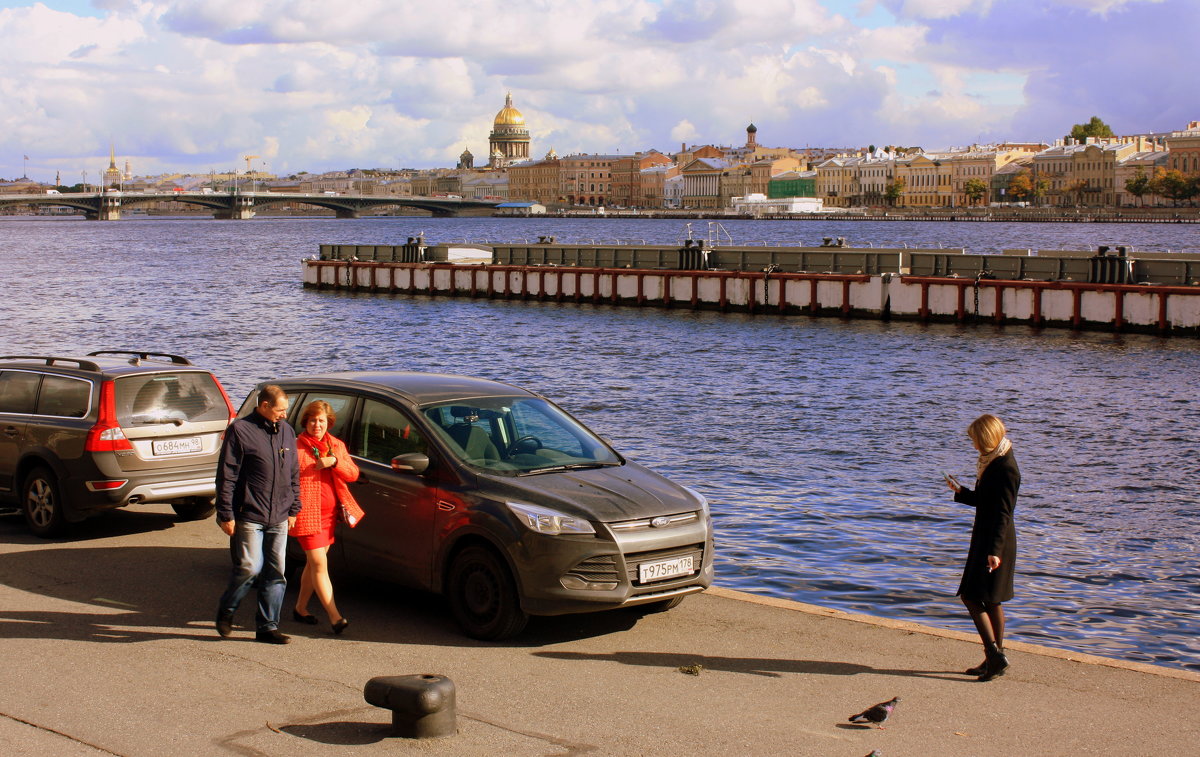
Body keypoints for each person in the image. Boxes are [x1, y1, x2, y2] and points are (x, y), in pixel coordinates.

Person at [215, 385, 301, 644]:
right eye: (280, 410)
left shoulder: (286, 431)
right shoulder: (240, 431)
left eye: (286, 410)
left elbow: (293, 473)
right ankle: (227, 610)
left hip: (280, 515)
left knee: (276, 573)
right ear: (263, 406)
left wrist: (294, 507)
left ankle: (267, 627)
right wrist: (225, 513)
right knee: (250, 567)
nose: (284, 415)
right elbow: (227, 475)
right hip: (249, 513)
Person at [945, 413, 1020, 682]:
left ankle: (994, 655)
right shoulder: (991, 461)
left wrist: (994, 551)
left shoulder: (1006, 468)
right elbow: (985, 501)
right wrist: (961, 491)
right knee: (991, 599)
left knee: (971, 596)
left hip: (994, 542)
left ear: (986, 438)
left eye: (976, 440)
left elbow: (1003, 513)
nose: (974, 445)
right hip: (987, 539)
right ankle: (993, 659)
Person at [291, 400, 364, 634]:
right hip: (307, 515)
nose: (317, 425)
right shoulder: (296, 447)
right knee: (320, 565)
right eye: (312, 420)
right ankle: (335, 617)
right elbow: (285, 482)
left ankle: (300, 608)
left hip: (329, 516)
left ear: (329, 423)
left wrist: (334, 462)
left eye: (321, 420)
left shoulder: (335, 445)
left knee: (313, 566)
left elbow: (353, 474)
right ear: (305, 421)